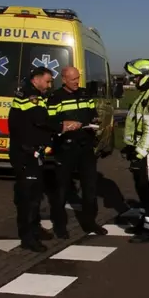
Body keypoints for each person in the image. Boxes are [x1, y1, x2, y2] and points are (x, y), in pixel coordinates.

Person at [8, 66, 80, 252]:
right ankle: (28, 238)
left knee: (36, 195)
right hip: (25, 154)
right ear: (36, 79)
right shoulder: (29, 97)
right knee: (29, 198)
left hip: (34, 153)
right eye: (47, 81)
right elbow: (41, 120)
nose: (49, 85)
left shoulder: (36, 96)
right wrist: (63, 126)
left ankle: (34, 229)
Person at [47, 66, 107, 239]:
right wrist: (65, 124)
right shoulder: (55, 98)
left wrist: (95, 121)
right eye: (73, 79)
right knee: (61, 188)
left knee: (90, 187)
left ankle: (90, 222)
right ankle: (60, 226)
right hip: (65, 147)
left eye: (78, 78)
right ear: (64, 79)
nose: (77, 82)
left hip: (85, 147)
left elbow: (92, 114)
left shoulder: (85, 94)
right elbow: (51, 121)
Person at [122, 59, 149, 243]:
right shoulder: (144, 95)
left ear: (147, 76)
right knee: (141, 188)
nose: (133, 80)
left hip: (146, 152)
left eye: (137, 76)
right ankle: (144, 222)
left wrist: (138, 152)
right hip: (140, 150)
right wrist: (130, 146)